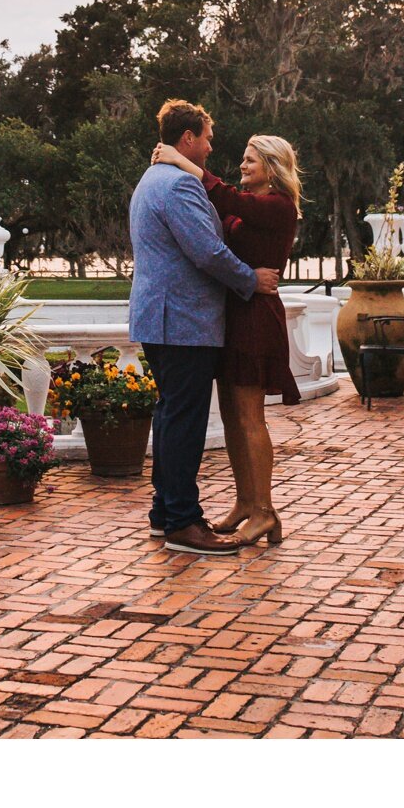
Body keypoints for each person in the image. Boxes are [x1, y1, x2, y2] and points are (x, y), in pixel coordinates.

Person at [128, 98, 281, 557]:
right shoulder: (178, 186)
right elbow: (208, 252)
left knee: (172, 415)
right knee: (184, 422)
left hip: (165, 319)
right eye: (208, 139)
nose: (212, 148)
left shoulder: (153, 179)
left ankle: (164, 513)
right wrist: (250, 280)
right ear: (188, 138)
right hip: (183, 322)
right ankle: (181, 523)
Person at [151, 133, 304, 547]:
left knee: (251, 416)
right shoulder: (252, 205)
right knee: (233, 416)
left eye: (250, 160)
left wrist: (184, 163)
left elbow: (227, 198)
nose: (242, 165)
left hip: (255, 317)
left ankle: (265, 511)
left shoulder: (277, 206)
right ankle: (243, 503)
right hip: (233, 314)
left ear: (272, 168)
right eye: (243, 157)